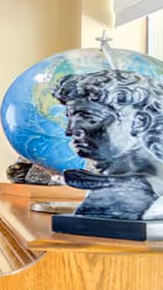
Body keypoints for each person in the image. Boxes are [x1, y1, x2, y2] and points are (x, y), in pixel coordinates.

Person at [54, 68, 163, 221]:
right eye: (70, 118)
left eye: (89, 118)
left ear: (139, 122)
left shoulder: (123, 197)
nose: (70, 131)